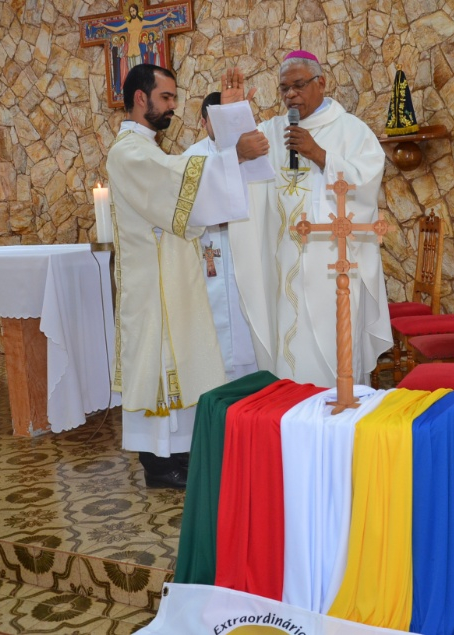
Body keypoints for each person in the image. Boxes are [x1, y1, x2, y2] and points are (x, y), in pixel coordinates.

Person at [106, 64, 268, 488]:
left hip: (167, 274)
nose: (173, 107)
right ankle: (159, 465)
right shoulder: (129, 152)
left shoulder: (147, 150)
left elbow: (183, 185)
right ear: (141, 99)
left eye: (174, 98)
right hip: (152, 283)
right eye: (166, 98)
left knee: (173, 366)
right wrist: (236, 154)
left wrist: (230, 133)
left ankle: (174, 456)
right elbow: (179, 186)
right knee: (158, 367)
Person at [230, 50, 391, 388]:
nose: (291, 95)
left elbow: (368, 180)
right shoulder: (271, 132)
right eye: (284, 88)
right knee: (290, 352)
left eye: (299, 85)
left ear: (322, 83)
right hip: (283, 264)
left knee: (334, 353)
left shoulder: (350, 130)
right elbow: (236, 165)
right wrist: (232, 117)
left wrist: (320, 155)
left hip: (334, 269)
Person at [184, 91, 259, 382]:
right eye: (216, 119)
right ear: (204, 122)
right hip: (209, 248)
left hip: (245, 248)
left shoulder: (254, 153)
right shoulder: (191, 159)